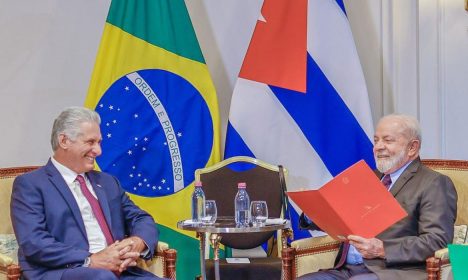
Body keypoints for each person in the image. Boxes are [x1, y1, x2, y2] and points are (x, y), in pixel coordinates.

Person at [10, 107, 167, 280]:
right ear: (64, 141)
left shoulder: (108, 182)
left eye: (99, 142)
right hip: (64, 272)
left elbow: (141, 218)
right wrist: (91, 260)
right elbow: (34, 242)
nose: (98, 151)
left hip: (119, 271)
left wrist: (136, 243)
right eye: (90, 142)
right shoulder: (30, 184)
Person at [298, 114, 457, 280]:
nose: (378, 147)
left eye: (387, 141)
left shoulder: (434, 183)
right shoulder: (367, 178)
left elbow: (437, 241)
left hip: (393, 272)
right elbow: (342, 221)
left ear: (412, 147)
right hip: (345, 270)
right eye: (376, 140)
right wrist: (313, 211)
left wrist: (383, 249)